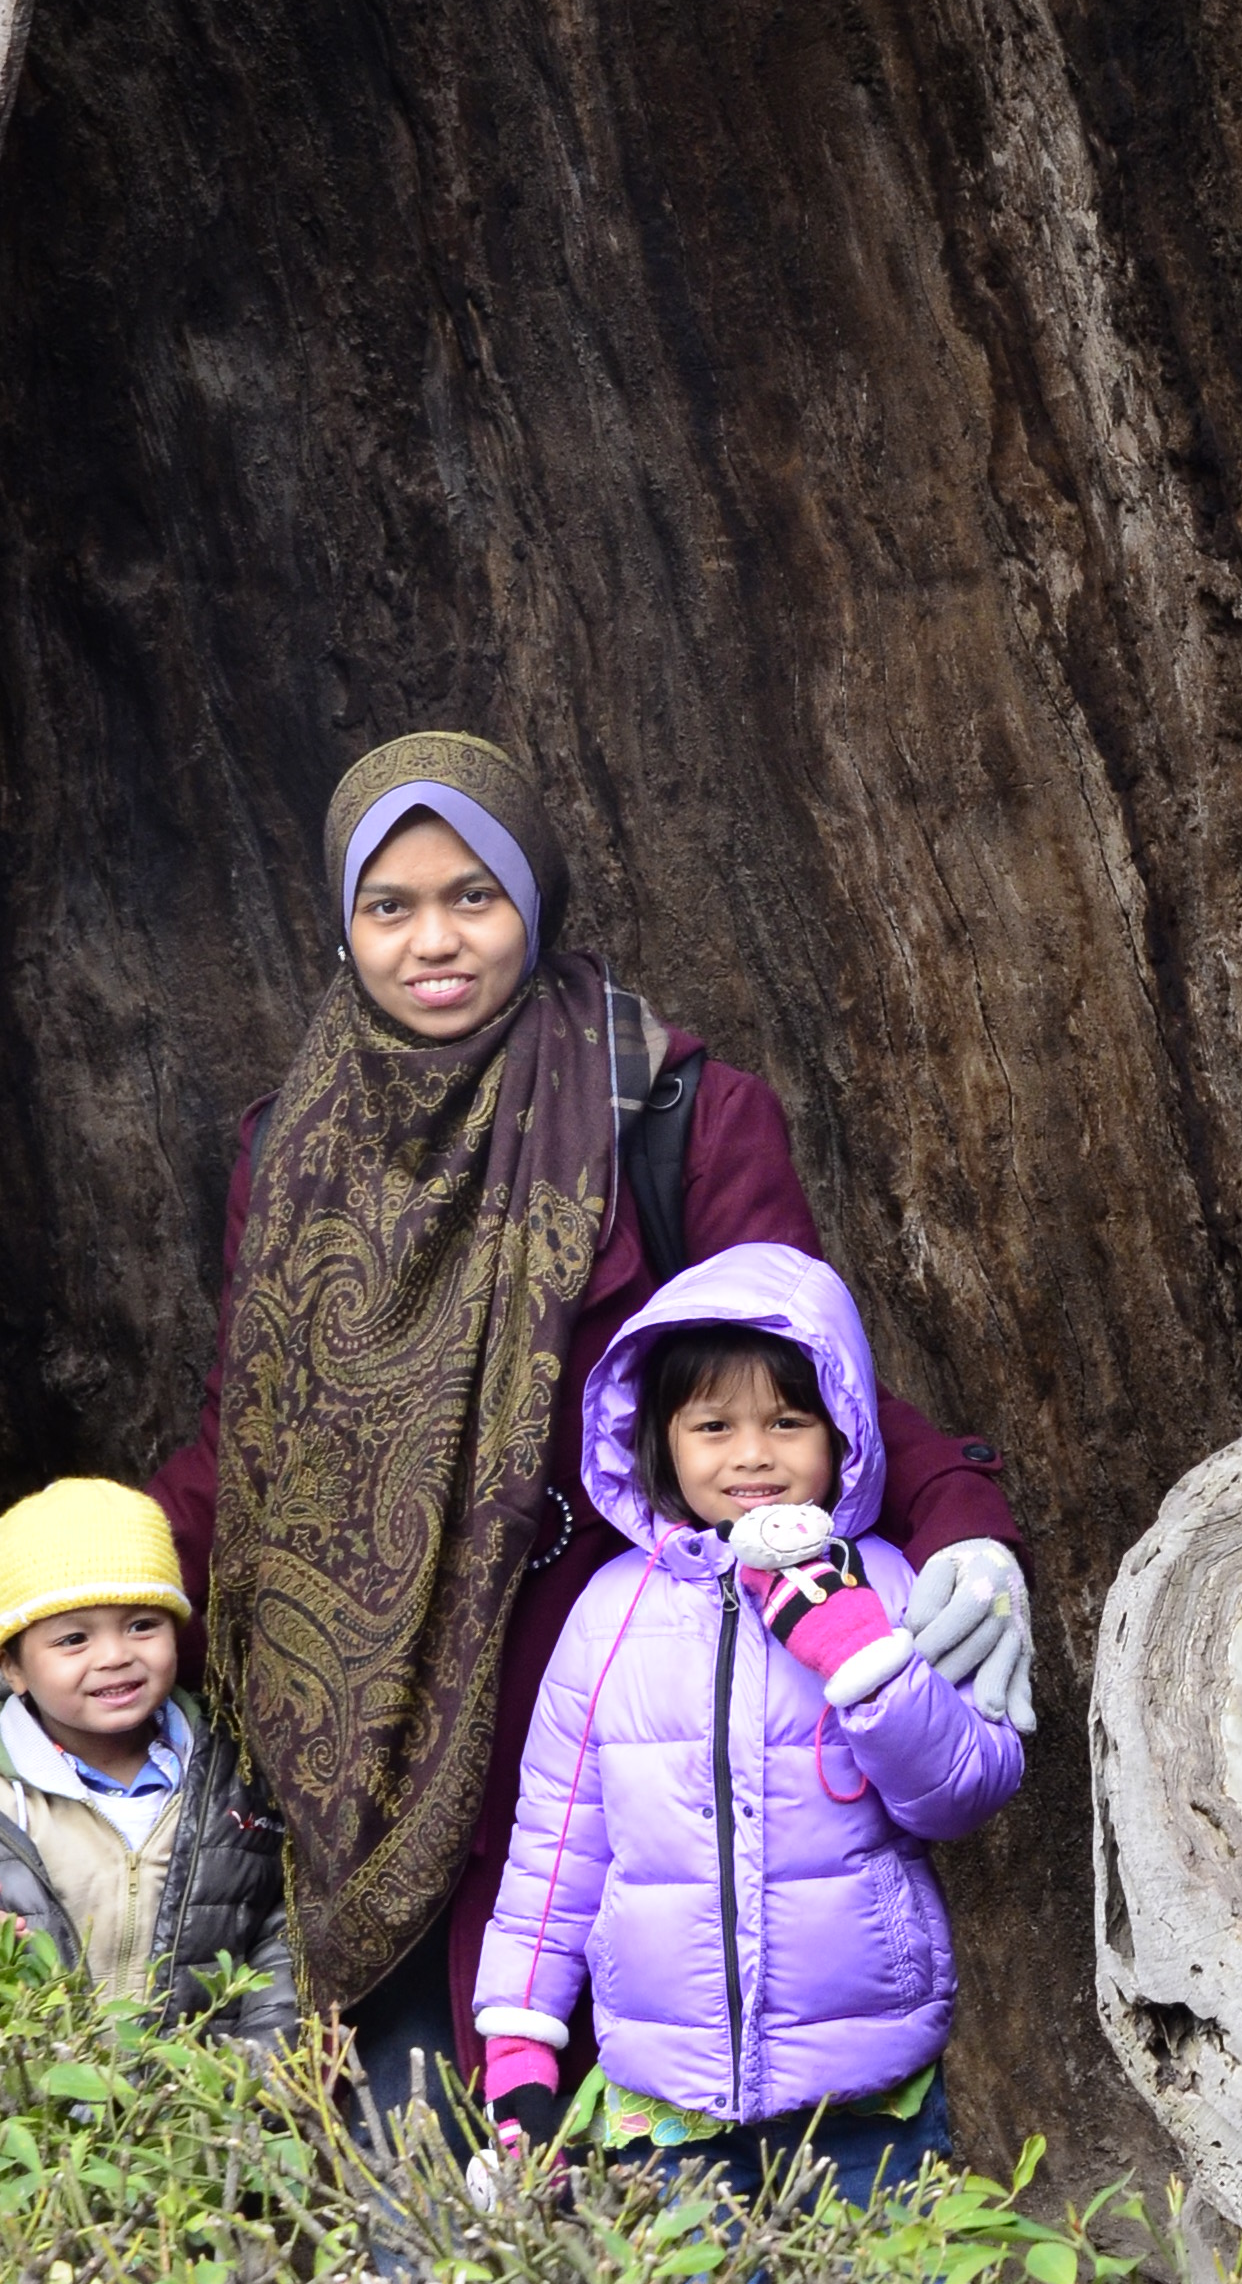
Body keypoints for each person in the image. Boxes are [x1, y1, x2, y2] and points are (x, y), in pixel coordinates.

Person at [154, 727, 1034, 2140]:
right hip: (380, 1718)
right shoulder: (293, 1142)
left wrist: (965, 1530)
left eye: (473, 895)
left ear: (532, 898)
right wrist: (75, 1594)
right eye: (390, 905)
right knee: (418, 2138)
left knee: (645, 2119)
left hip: (625, 1674)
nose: (433, 941)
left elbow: (800, 1371)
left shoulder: (672, 1113)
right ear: (343, 927)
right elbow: (250, 1444)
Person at [474, 1244, 1024, 2198]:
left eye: (788, 1421)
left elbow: (964, 1793)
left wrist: (862, 1654)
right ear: (661, 1441)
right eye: (713, 1426)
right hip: (666, 2110)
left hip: (866, 2100)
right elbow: (554, 1853)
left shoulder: (889, 1585)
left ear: (842, 1430)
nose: (753, 1455)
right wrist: (520, 2053)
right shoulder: (610, 1613)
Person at [0, 1479, 296, 2032]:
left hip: (209, 2082)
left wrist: (258, 2067)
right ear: (11, 1667)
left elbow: (282, 1937)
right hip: (36, 2084)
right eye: (73, 1640)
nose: (114, 1655)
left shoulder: (237, 1777)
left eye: (142, 1625)